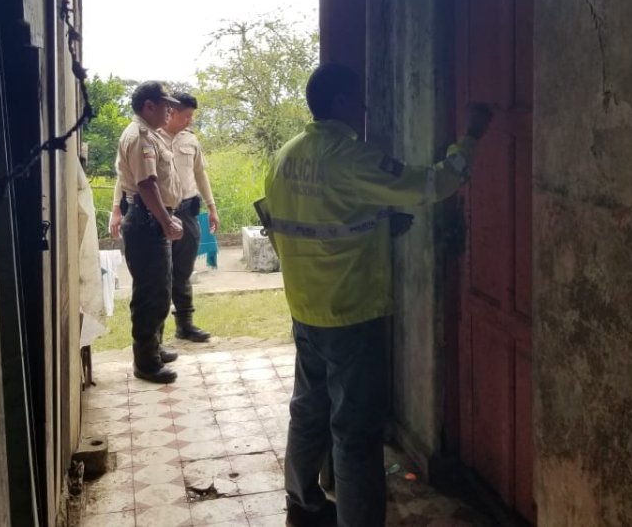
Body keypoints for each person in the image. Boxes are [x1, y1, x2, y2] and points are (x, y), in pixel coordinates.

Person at [260, 64, 493, 527]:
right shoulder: (352, 157)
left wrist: (381, 225)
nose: (364, 106)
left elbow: (310, 222)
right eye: (358, 97)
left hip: (306, 309)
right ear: (343, 100)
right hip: (351, 312)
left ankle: (302, 504)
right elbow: (433, 184)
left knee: (308, 411)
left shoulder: (285, 156)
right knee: (355, 432)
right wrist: (471, 136)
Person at [116, 81, 185, 384]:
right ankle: (146, 361)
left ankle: (153, 347)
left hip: (151, 219)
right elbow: (147, 185)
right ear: (148, 106)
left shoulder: (151, 135)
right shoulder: (141, 137)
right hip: (147, 221)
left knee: (161, 288)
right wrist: (166, 221)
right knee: (150, 294)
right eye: (165, 104)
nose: (171, 110)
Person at [159, 92, 219, 342]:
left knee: (183, 271)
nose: (189, 121)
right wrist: (117, 209)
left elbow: (200, 174)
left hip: (188, 211)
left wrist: (212, 207)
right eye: (186, 116)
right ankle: (155, 335)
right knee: (160, 274)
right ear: (171, 112)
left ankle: (185, 324)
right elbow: (126, 175)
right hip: (159, 214)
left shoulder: (191, 140)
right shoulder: (151, 136)